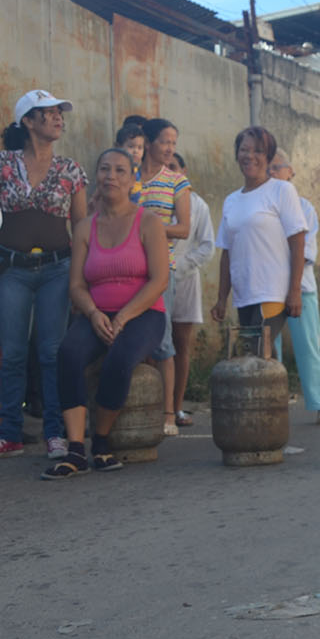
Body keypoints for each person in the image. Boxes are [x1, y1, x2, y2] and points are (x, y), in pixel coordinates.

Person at [0, 88, 88, 462]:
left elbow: (81, 225)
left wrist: (82, 277)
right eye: (48, 112)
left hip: (58, 268)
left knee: (52, 351)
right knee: (14, 353)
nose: (58, 118)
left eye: (59, 113)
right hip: (12, 268)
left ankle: (55, 433)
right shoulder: (2, 164)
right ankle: (9, 433)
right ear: (28, 121)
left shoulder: (71, 170)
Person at [43, 148, 169, 479]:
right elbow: (76, 286)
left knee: (120, 357)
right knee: (68, 353)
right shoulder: (85, 228)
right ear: (96, 176)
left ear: (132, 179)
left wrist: (124, 317)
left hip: (144, 314)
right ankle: (74, 450)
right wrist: (94, 313)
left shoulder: (149, 223)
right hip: (96, 313)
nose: (111, 176)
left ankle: (100, 442)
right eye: (104, 169)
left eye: (119, 170)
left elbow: (159, 280)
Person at [210, 126, 305, 356]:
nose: (250, 156)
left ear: (268, 157)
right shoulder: (231, 200)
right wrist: (222, 299)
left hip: (273, 290)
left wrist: (295, 291)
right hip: (244, 293)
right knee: (254, 360)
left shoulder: (282, 191)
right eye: (244, 150)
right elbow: (227, 253)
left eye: (258, 151)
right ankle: (276, 393)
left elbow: (298, 242)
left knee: (258, 354)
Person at [268, 151, 320, 425]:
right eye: (269, 168)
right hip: (268, 289)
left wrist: (292, 285)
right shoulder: (262, 206)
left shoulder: (304, 208)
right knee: (267, 350)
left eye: (278, 168)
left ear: (291, 172)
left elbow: (305, 251)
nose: (273, 173)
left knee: (309, 347)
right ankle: (270, 405)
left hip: (301, 287)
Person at [136, 119, 193, 435]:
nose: (170, 148)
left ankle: (169, 414)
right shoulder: (127, 176)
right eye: (165, 142)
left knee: (163, 340)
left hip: (160, 269)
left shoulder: (176, 182)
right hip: (125, 269)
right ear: (148, 141)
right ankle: (134, 409)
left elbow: (183, 228)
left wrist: (147, 227)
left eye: (174, 142)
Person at [169, 150, 216, 417]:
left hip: (185, 279)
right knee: (153, 344)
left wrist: (179, 267)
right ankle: (155, 408)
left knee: (181, 344)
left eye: (174, 167)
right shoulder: (149, 199)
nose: (170, 171)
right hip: (151, 279)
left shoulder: (197, 205)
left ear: (184, 172)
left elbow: (207, 247)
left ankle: (176, 408)